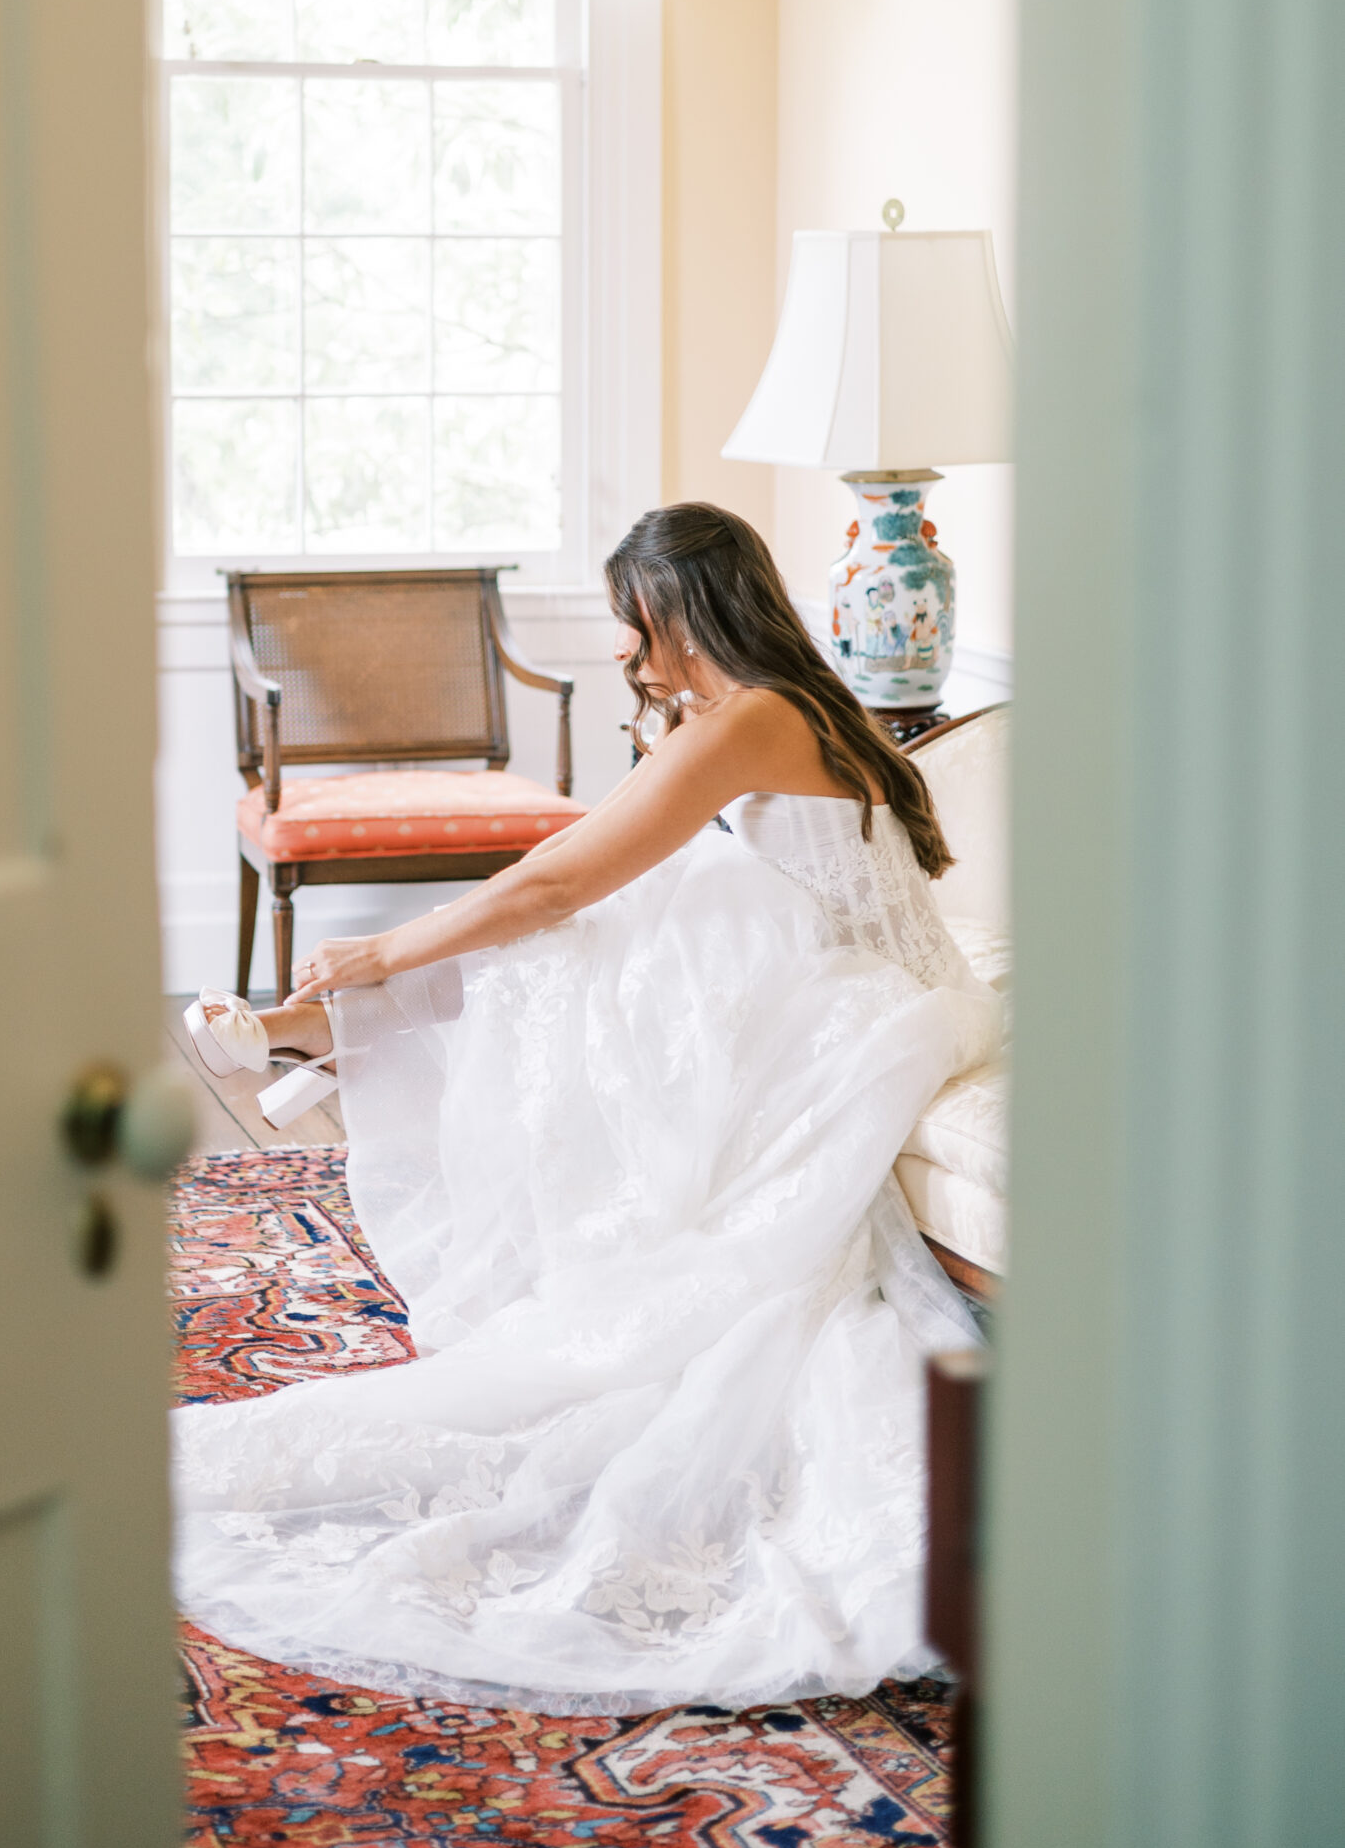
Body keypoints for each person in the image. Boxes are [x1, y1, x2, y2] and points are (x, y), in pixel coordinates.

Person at [171, 504, 1000, 1712]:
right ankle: (332, 1039)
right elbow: (579, 869)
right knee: (620, 931)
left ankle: (330, 1033)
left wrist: (385, 949)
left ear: (682, 612)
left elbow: (558, 878)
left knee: (590, 935)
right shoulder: (781, 706)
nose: (620, 647)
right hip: (872, 989)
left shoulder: (758, 717)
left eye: (631, 620)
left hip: (861, 1014)